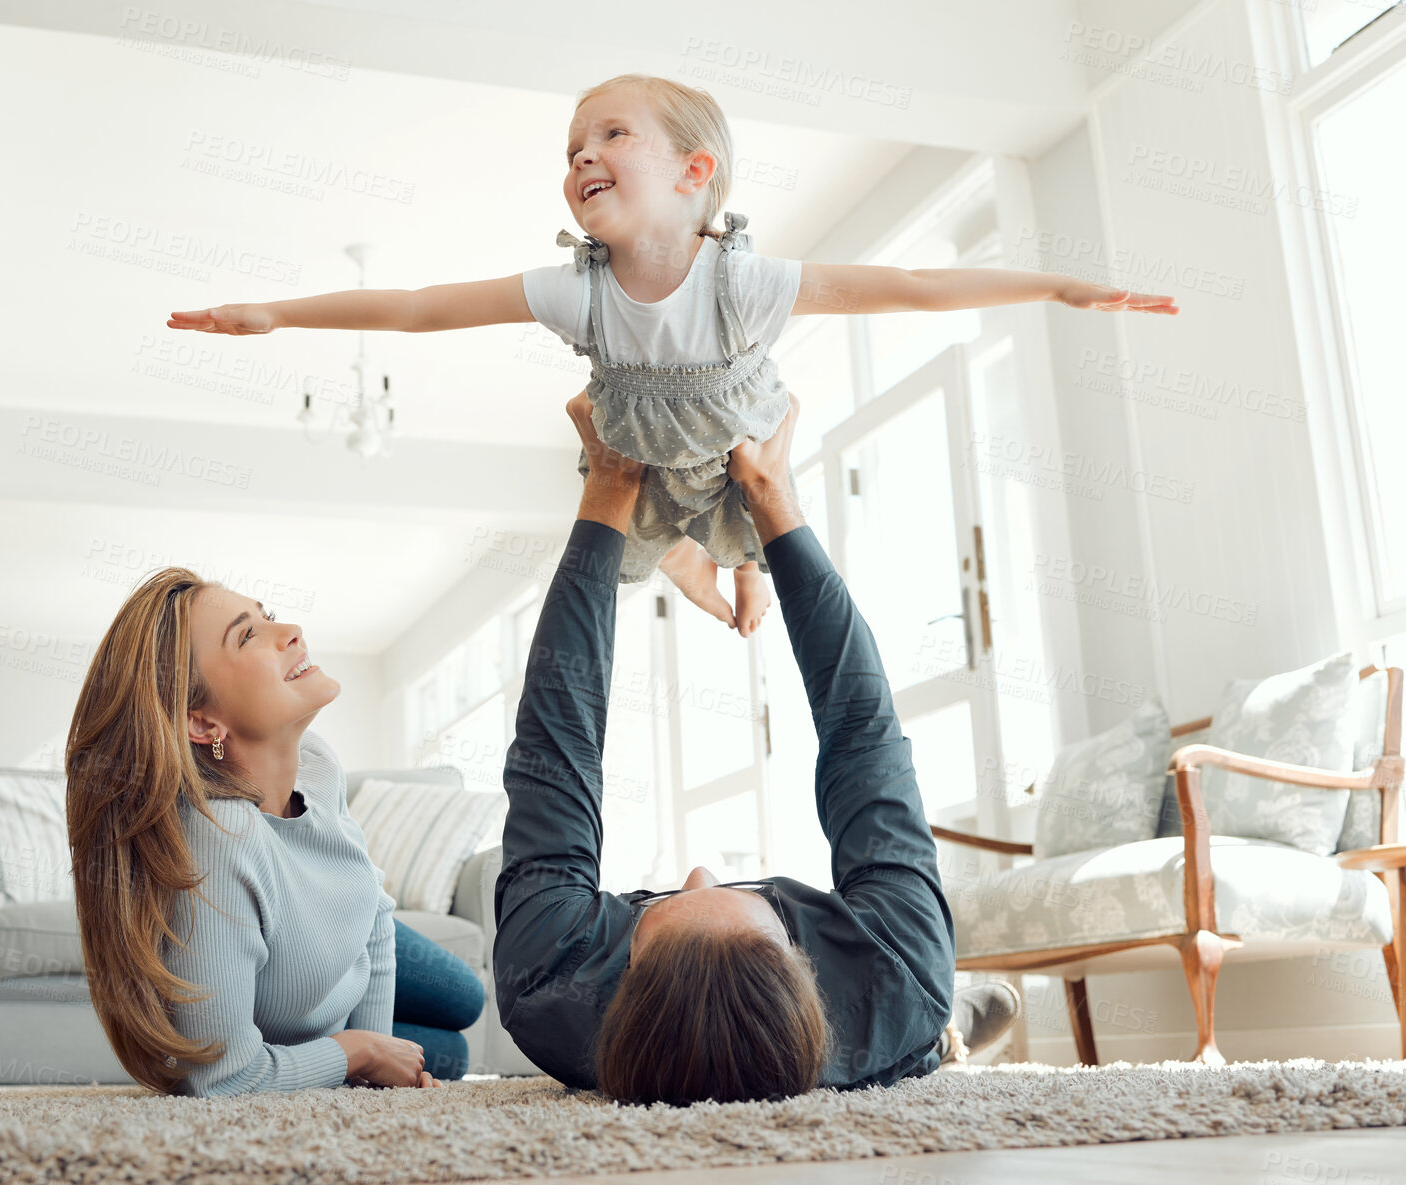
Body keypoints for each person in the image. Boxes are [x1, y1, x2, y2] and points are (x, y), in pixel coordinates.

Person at [165, 73, 1176, 638]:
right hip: (644, 464)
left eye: (608, 134)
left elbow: (907, 287)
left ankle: (728, 568)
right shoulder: (578, 290)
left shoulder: (745, 280)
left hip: (740, 455)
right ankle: (690, 557)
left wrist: (1058, 283)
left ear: (695, 173)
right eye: (569, 150)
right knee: (631, 554)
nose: (579, 159)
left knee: (759, 528)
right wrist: (277, 313)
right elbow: (425, 307)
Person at [491, 390, 1019, 1105]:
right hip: (893, 1006)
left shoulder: (549, 982)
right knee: (908, 1039)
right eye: (738, 895)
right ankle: (942, 1035)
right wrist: (774, 501)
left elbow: (557, 743)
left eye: (664, 904)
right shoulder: (894, 968)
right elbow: (860, 730)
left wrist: (607, 493)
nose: (701, 870)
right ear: (808, 963)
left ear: (620, 977)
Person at [63, 570, 484, 1096]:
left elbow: (372, 908)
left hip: (333, 942)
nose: (290, 630)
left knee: (465, 1001)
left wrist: (373, 1057)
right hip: (286, 967)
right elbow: (223, 1078)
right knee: (449, 1052)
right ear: (202, 723)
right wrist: (359, 1052)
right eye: (247, 635)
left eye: (266, 615)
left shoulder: (317, 764)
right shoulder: (219, 840)